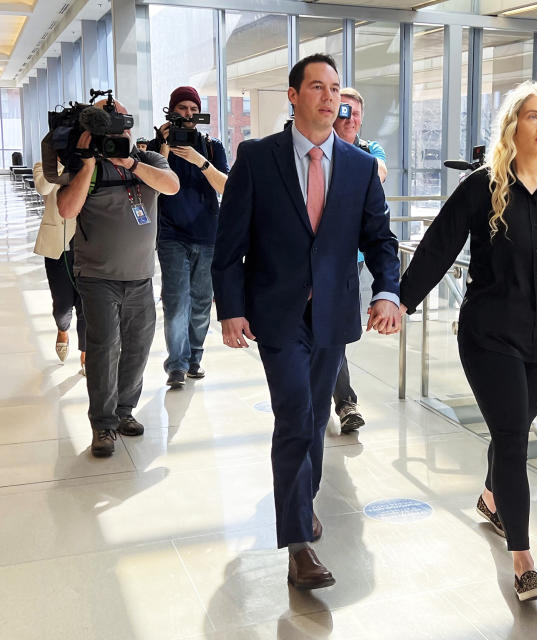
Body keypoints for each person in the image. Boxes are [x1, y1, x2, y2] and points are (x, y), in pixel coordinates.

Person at [398, 81, 537, 601]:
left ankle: (493, 498)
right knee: (514, 437)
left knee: (512, 428)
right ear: (513, 126)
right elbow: (438, 246)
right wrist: (399, 301)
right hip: (489, 335)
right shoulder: (483, 186)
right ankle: (523, 558)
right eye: (532, 117)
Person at [212, 53, 401, 590]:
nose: (328, 96)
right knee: (295, 415)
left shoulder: (361, 167)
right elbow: (230, 245)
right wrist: (230, 308)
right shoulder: (256, 158)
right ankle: (298, 545)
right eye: (316, 86)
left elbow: (380, 241)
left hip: (333, 317)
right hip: (276, 314)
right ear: (293, 96)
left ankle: (301, 500)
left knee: (315, 420)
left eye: (335, 88)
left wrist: (387, 290)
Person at [56, 99, 180, 458]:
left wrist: (130, 161)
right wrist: (89, 163)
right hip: (97, 277)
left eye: (121, 124)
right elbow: (67, 209)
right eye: (107, 128)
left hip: (141, 277)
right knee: (103, 349)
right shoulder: (84, 165)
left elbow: (171, 186)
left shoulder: (148, 160)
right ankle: (103, 425)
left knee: (138, 349)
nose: (117, 133)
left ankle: (125, 411)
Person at [148, 86, 229, 389]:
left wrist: (200, 161)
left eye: (194, 110)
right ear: (171, 111)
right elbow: (153, 182)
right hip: (170, 235)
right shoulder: (158, 143)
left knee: (200, 303)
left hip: (208, 235)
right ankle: (177, 365)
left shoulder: (211, 146)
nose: (188, 115)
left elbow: (226, 187)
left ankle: (195, 357)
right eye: (182, 108)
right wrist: (165, 145)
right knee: (176, 301)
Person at [330, 86, 388, 433]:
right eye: (343, 110)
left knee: (334, 330)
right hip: (317, 253)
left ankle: (341, 399)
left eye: (354, 111)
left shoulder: (368, 151)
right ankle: (344, 400)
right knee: (327, 329)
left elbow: (379, 171)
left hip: (354, 256)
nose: (349, 117)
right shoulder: (317, 150)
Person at [33, 160, 86, 374]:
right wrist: (60, 163)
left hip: (88, 244)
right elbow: (43, 187)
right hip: (58, 246)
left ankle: (86, 352)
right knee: (62, 304)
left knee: (87, 305)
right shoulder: (43, 166)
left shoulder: (88, 164)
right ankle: (62, 329)